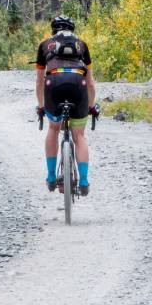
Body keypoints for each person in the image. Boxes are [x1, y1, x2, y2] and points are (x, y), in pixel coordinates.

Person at [35, 14, 98, 196]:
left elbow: (39, 81)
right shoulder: (82, 45)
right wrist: (92, 106)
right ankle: (84, 181)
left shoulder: (45, 45)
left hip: (53, 84)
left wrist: (41, 106)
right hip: (79, 84)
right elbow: (91, 82)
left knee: (53, 129)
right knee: (79, 136)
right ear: (72, 29)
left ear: (53, 30)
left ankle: (51, 177)